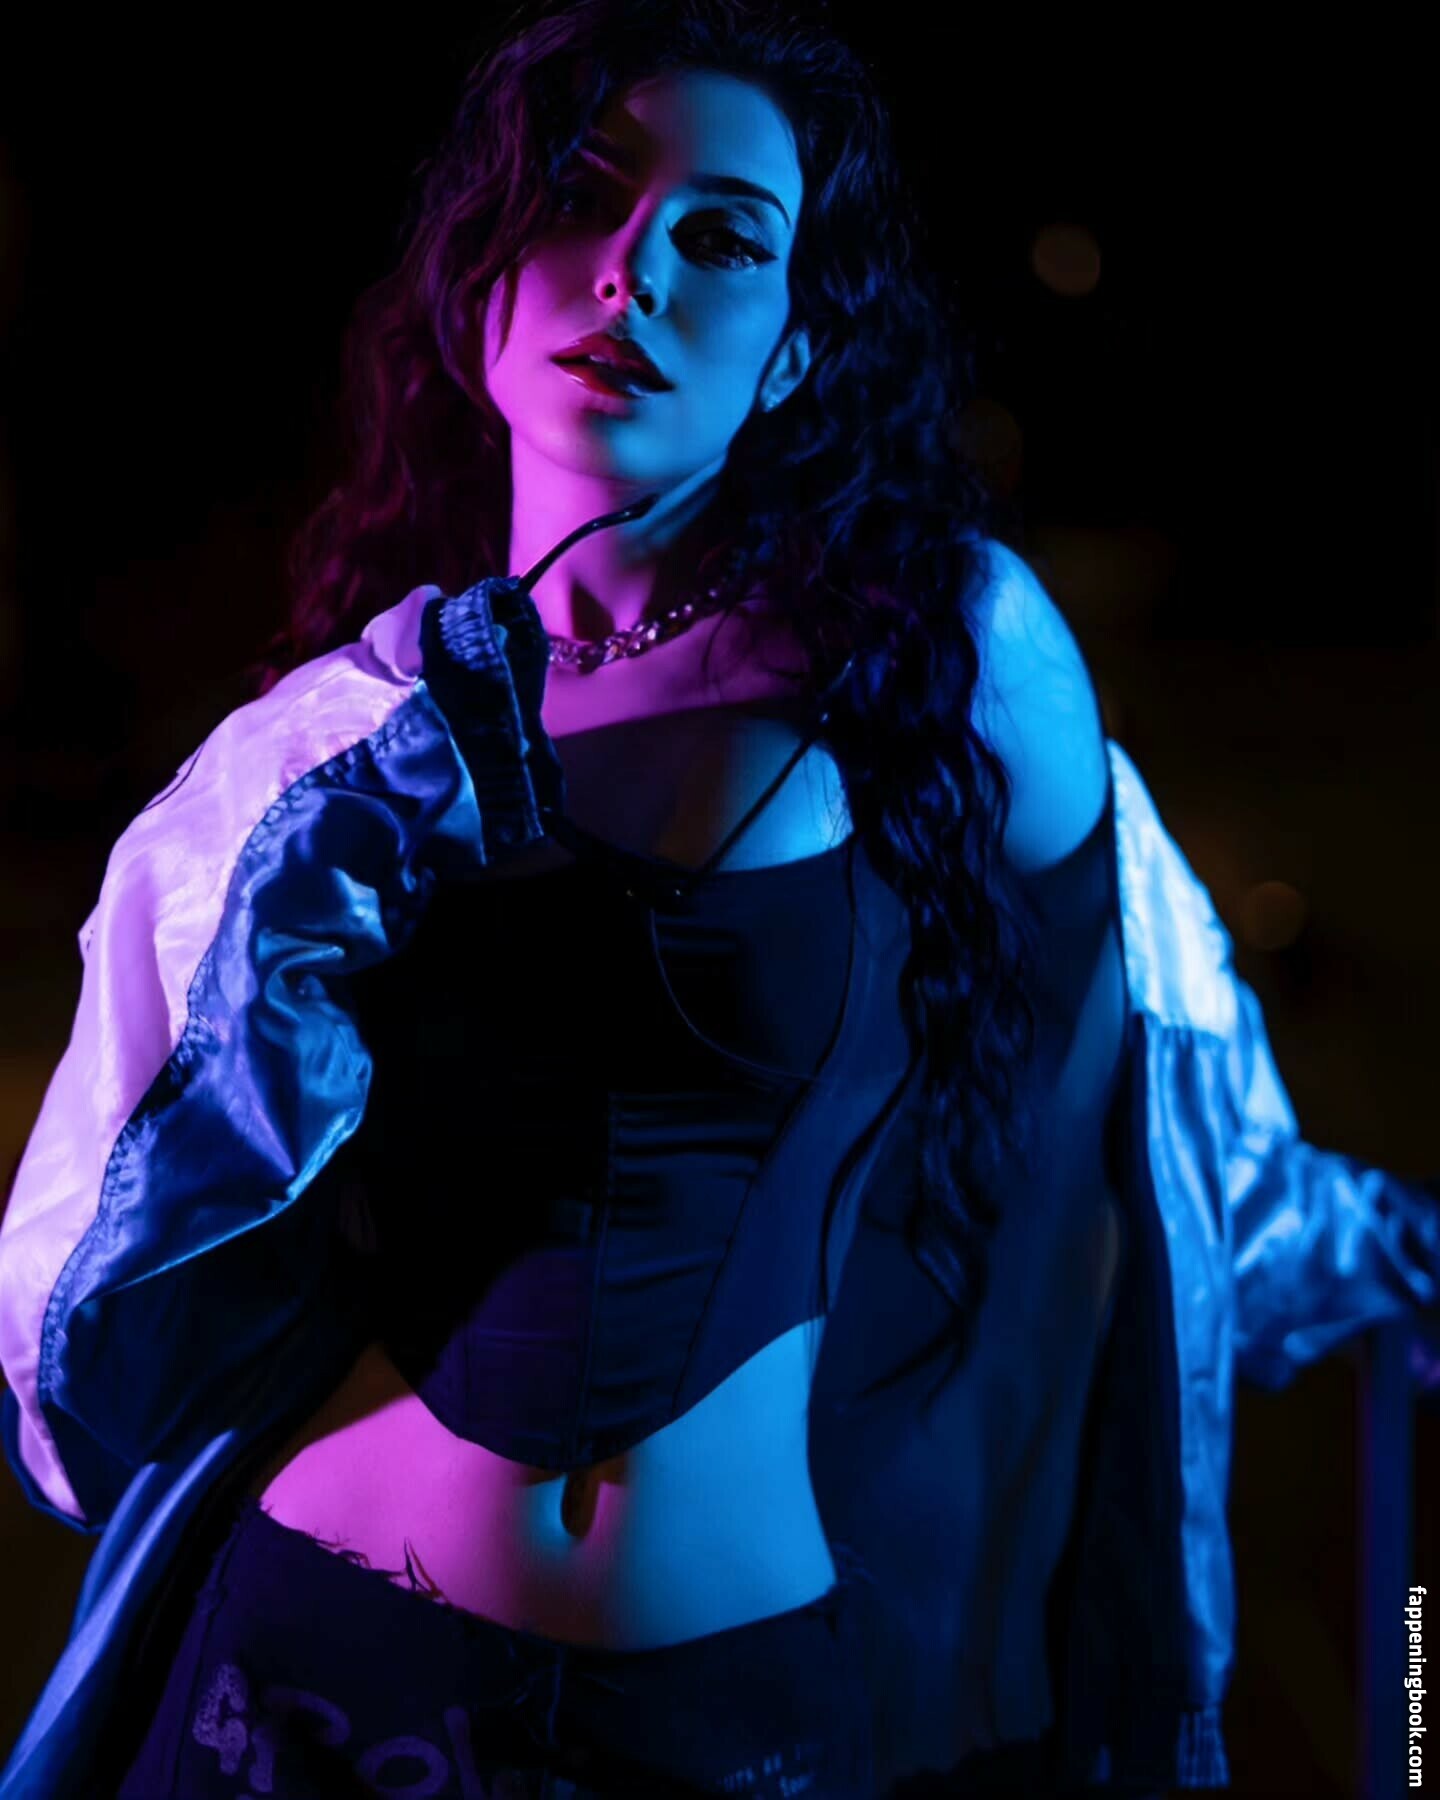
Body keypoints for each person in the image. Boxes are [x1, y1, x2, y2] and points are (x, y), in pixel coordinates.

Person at [2, 2, 1438, 1795]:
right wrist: (326, 869)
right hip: (307, 1672)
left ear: (795, 348)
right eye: (580, 195)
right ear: (480, 270)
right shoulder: (334, 746)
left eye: (725, 238)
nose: (633, 272)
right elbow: (115, 1274)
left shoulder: (947, 659)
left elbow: (1132, 1100)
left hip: (726, 1712)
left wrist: (1357, 1246)